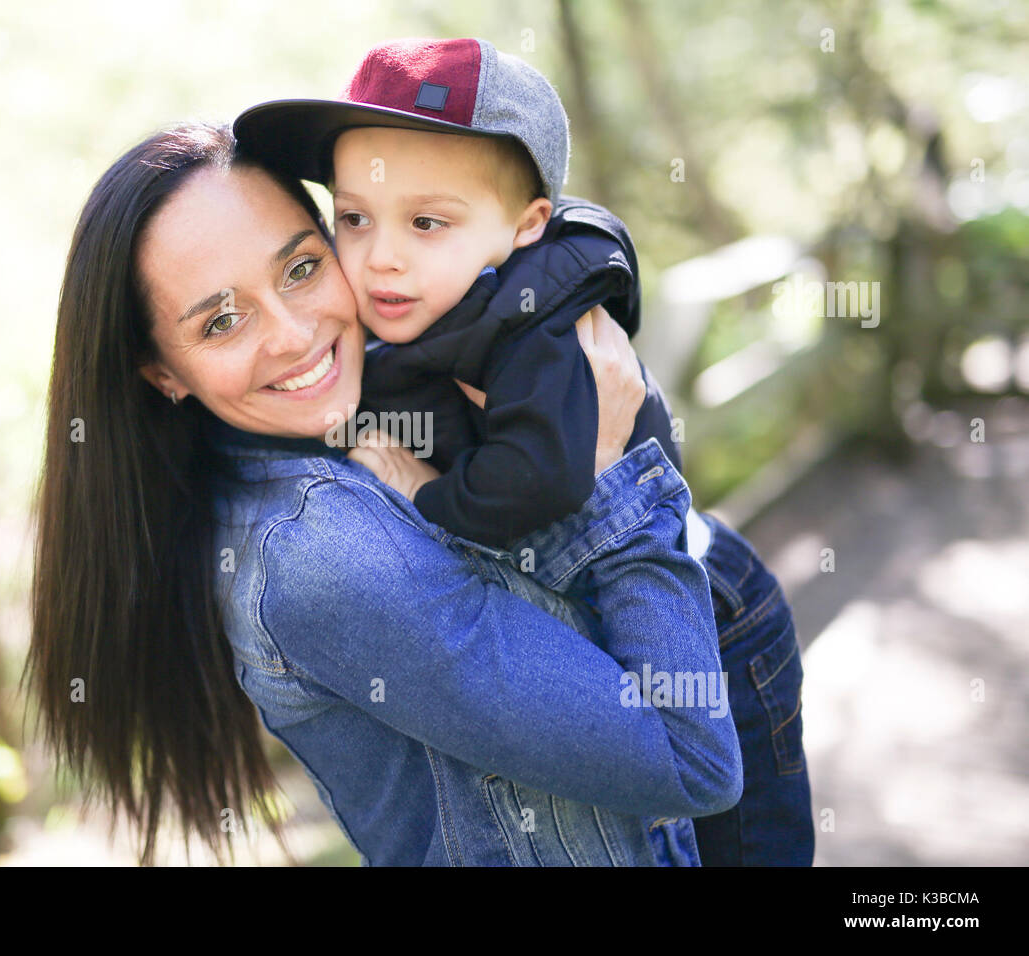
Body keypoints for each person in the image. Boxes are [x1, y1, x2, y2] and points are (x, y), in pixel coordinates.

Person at [24, 120, 743, 866]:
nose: (295, 335)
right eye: (223, 321)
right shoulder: (320, 553)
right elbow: (690, 754)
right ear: (164, 373)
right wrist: (608, 480)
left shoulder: (329, 431)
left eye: (301, 269)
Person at [234, 36, 814, 866]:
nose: (381, 255)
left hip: (711, 620)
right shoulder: (414, 300)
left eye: (427, 221)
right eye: (354, 218)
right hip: (608, 618)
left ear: (526, 226)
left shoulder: (542, 330)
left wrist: (426, 490)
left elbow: (538, 477)